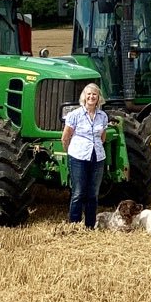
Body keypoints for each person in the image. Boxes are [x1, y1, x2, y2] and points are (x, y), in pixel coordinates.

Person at [61, 83, 109, 229]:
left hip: (97, 157)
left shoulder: (103, 116)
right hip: (78, 157)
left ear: (98, 98)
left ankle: (90, 226)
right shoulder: (75, 115)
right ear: (84, 97)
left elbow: (102, 138)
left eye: (94, 94)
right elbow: (65, 138)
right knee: (78, 192)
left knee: (93, 193)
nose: (91, 97)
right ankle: (74, 226)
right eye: (89, 94)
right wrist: (72, 152)